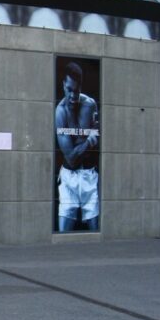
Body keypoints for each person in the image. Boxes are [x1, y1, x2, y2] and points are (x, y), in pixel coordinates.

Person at [55, 60, 100, 232]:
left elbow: (99, 139)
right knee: (62, 236)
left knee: (97, 234)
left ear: (81, 86)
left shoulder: (90, 105)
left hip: (89, 175)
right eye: (69, 90)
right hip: (69, 179)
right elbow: (71, 159)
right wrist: (88, 141)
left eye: (77, 90)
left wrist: (83, 144)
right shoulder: (60, 113)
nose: (73, 96)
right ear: (63, 85)